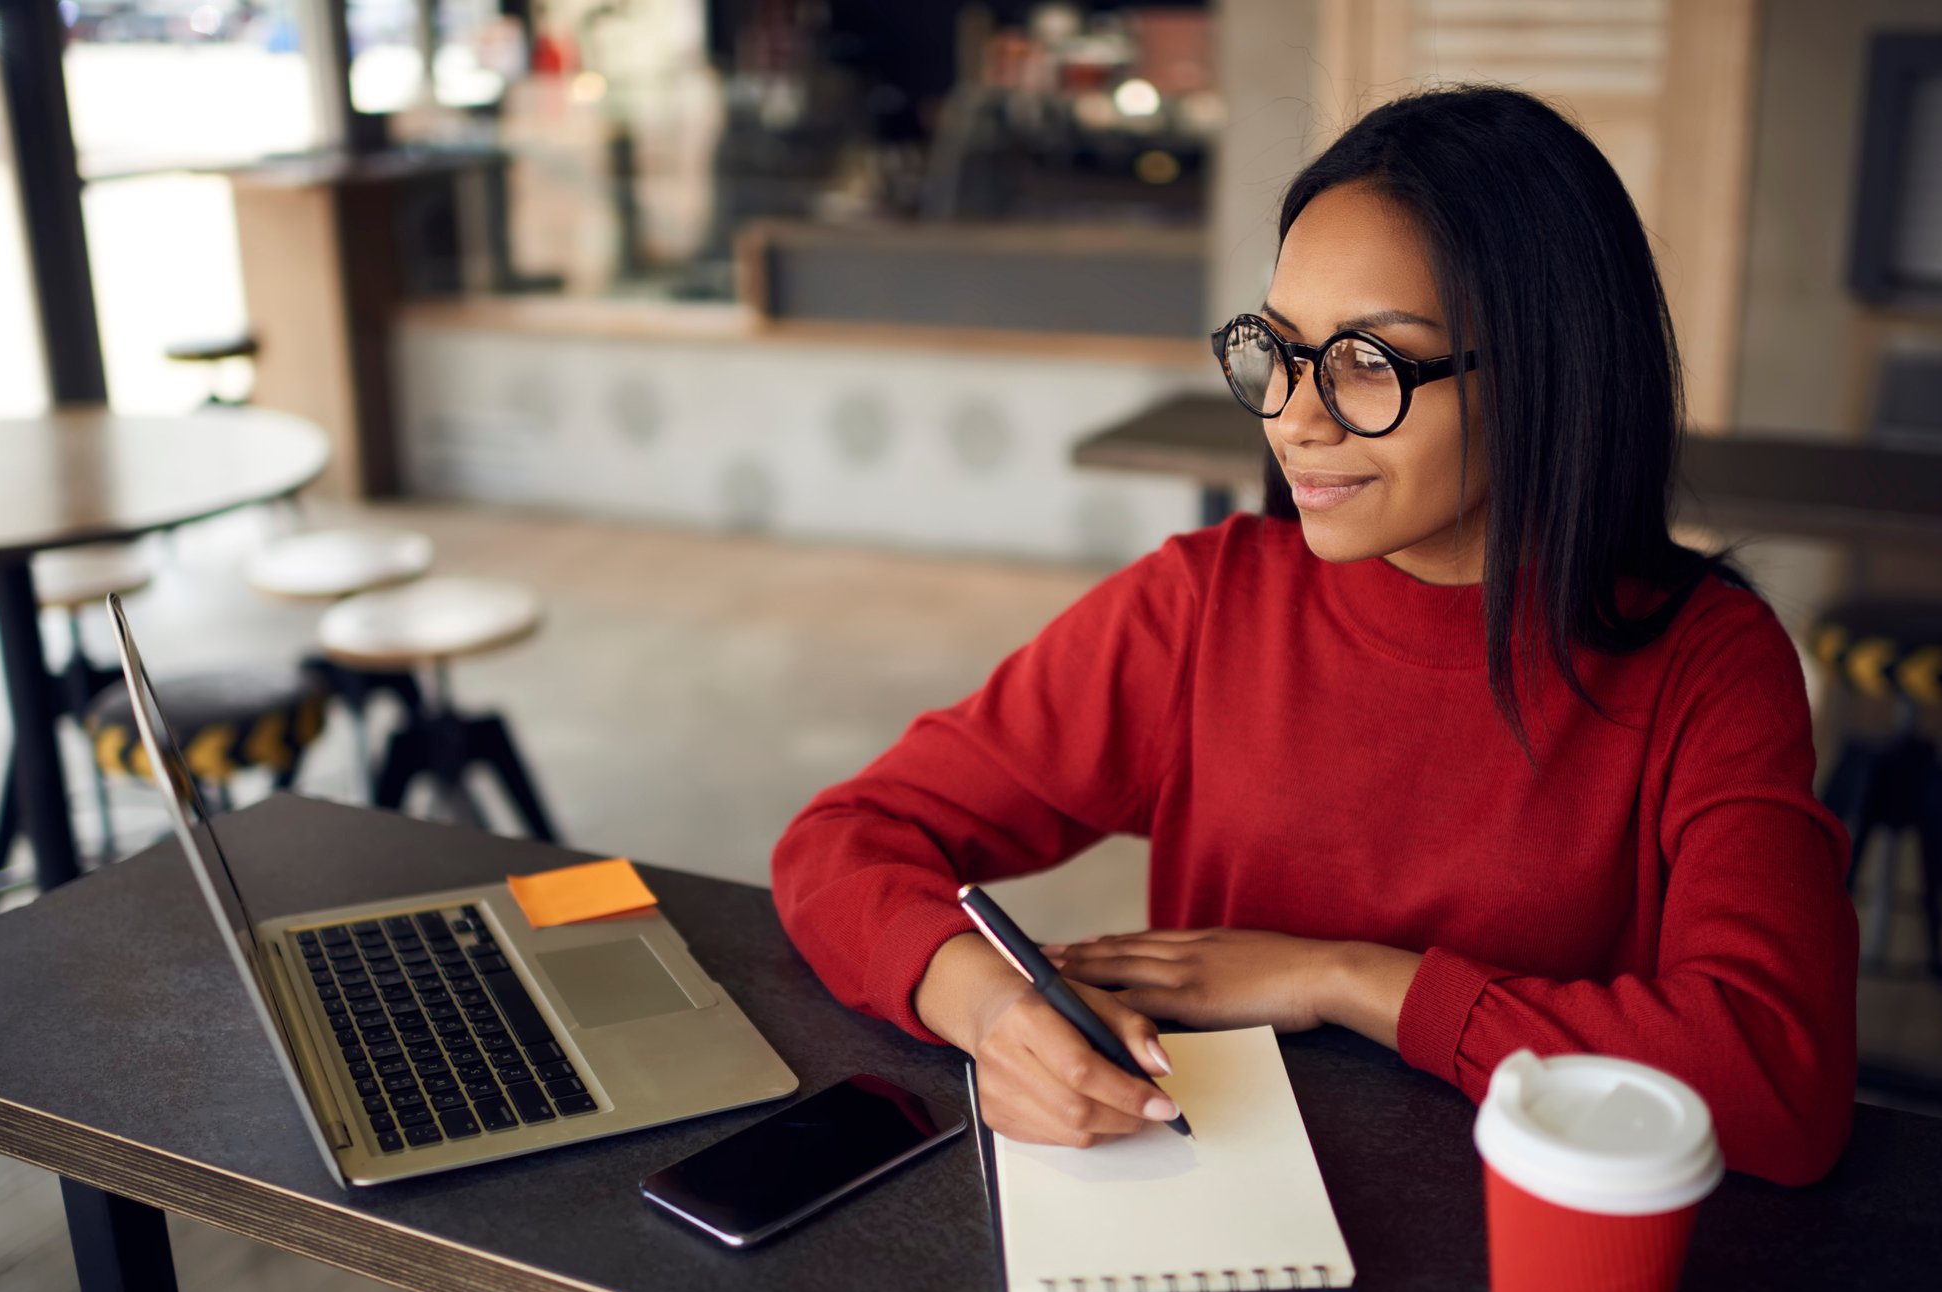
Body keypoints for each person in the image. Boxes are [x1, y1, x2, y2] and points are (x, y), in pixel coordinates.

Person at [771, 85, 1858, 1186]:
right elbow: (843, 839)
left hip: (1522, 1254)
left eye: (1370, 361)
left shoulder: (1706, 663)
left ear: (1545, 369)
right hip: (1216, 1224)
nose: (1294, 414)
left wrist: (1340, 978)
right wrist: (992, 1007)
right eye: (1279, 349)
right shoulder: (1201, 608)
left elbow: (1774, 1077)